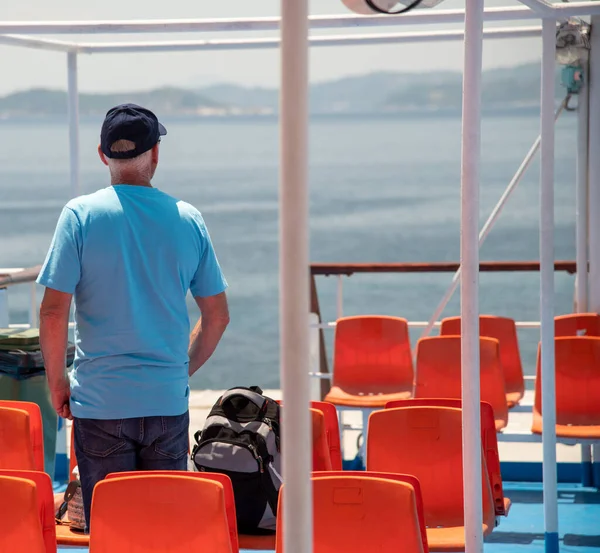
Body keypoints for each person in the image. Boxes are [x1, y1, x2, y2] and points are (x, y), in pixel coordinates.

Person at [37, 103, 230, 531]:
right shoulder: (187, 218)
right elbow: (216, 317)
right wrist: (179, 368)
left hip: (100, 404)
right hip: (165, 400)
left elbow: (53, 313)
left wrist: (57, 383)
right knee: (163, 532)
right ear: (155, 154)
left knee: (112, 532)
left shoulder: (79, 216)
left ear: (103, 155)